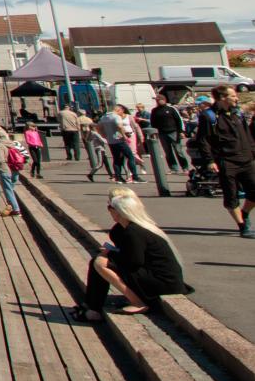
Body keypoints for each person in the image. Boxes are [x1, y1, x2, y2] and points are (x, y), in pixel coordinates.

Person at [70, 188, 191, 321]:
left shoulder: (134, 232)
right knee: (98, 262)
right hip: (156, 276)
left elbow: (133, 261)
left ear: (120, 212)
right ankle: (92, 306)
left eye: (111, 207)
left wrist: (108, 254)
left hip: (163, 282)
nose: (108, 210)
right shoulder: (129, 228)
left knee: (99, 263)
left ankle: (137, 303)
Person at [199, 86, 255, 237]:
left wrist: (253, 152)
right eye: (233, 96)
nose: (237, 98)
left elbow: (247, 135)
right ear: (222, 98)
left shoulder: (238, 113)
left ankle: (244, 213)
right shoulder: (209, 116)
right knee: (231, 195)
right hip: (226, 160)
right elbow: (203, 140)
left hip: (246, 159)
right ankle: (242, 227)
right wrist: (210, 161)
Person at [149, 93, 189, 171]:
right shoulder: (154, 111)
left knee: (178, 151)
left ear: (164, 100)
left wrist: (181, 131)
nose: (157, 101)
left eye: (159, 100)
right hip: (162, 133)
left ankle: (185, 167)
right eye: (156, 100)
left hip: (173, 132)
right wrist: (154, 132)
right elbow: (153, 122)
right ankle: (173, 168)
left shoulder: (171, 109)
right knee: (168, 152)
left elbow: (178, 120)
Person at [0, 126, 25, 216]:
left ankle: (16, 209)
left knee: (8, 190)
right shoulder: (11, 144)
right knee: (10, 189)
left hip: (4, 169)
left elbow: (0, 159)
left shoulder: (0, 146)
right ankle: (11, 206)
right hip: (14, 169)